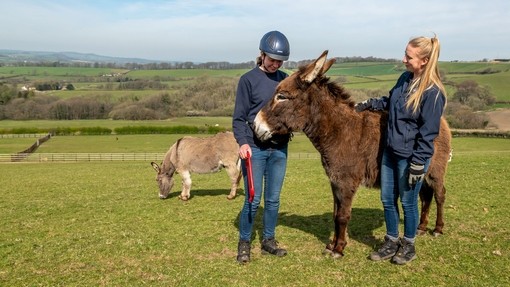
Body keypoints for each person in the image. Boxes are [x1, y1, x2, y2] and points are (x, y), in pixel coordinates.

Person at [355, 35, 446, 265]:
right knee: (387, 199)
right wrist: (369, 103)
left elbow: (428, 133)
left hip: (411, 158)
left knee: (408, 202)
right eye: (405, 54)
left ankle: (408, 245)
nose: (404, 59)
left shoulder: (432, 92)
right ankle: (391, 241)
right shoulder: (405, 79)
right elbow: (390, 101)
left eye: (409, 56)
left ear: (424, 60)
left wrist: (419, 162)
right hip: (391, 152)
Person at [232, 30, 291, 264]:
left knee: (274, 199)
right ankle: (244, 242)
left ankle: (268, 240)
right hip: (254, 149)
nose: (276, 64)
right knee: (253, 199)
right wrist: (243, 143)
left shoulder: (285, 80)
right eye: (272, 59)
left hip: (279, 149)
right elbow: (238, 118)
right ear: (262, 54)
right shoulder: (248, 80)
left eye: (280, 61)